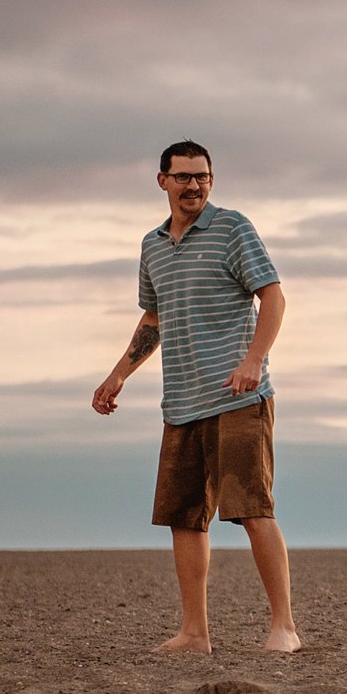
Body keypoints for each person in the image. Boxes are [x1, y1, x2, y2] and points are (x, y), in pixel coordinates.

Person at [90, 141, 300, 655]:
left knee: (253, 508)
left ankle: (284, 628)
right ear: (162, 181)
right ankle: (194, 633)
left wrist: (253, 361)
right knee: (184, 518)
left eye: (202, 177)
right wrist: (118, 375)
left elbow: (271, 295)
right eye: (182, 177)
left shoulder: (233, 228)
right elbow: (154, 318)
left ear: (212, 180)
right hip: (181, 402)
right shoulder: (153, 246)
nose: (193, 186)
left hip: (236, 396)